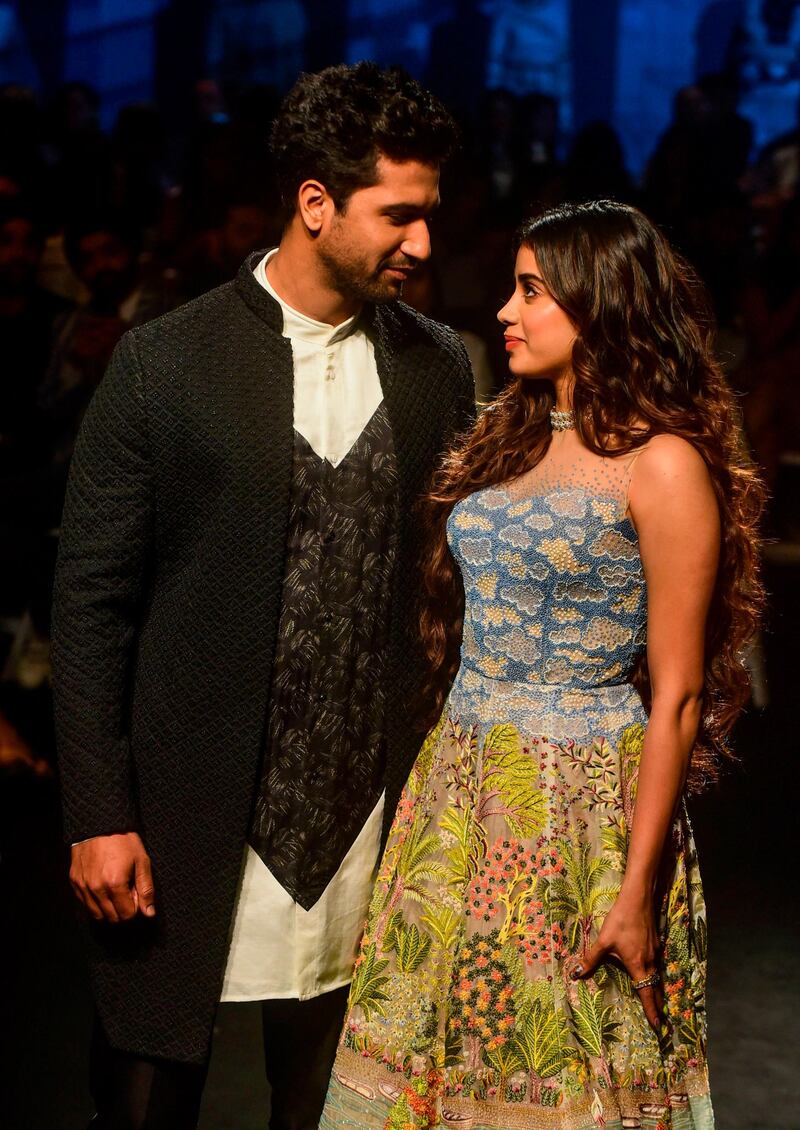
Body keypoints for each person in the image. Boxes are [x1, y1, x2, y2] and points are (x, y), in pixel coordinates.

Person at [51, 63, 473, 1130]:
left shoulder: (436, 368)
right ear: (315, 204)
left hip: (367, 818)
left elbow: (446, 584)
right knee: (148, 1095)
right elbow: (90, 603)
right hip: (189, 818)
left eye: (429, 215)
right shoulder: (164, 363)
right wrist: (100, 813)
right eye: (399, 214)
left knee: (335, 1102)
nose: (422, 244)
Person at [320, 200, 764, 1129]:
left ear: (600, 304)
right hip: (460, 790)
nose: (505, 312)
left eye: (531, 291)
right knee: (430, 1061)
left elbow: (677, 695)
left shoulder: (664, 462)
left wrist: (636, 888)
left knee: (562, 1069)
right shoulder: (512, 433)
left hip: (578, 809)